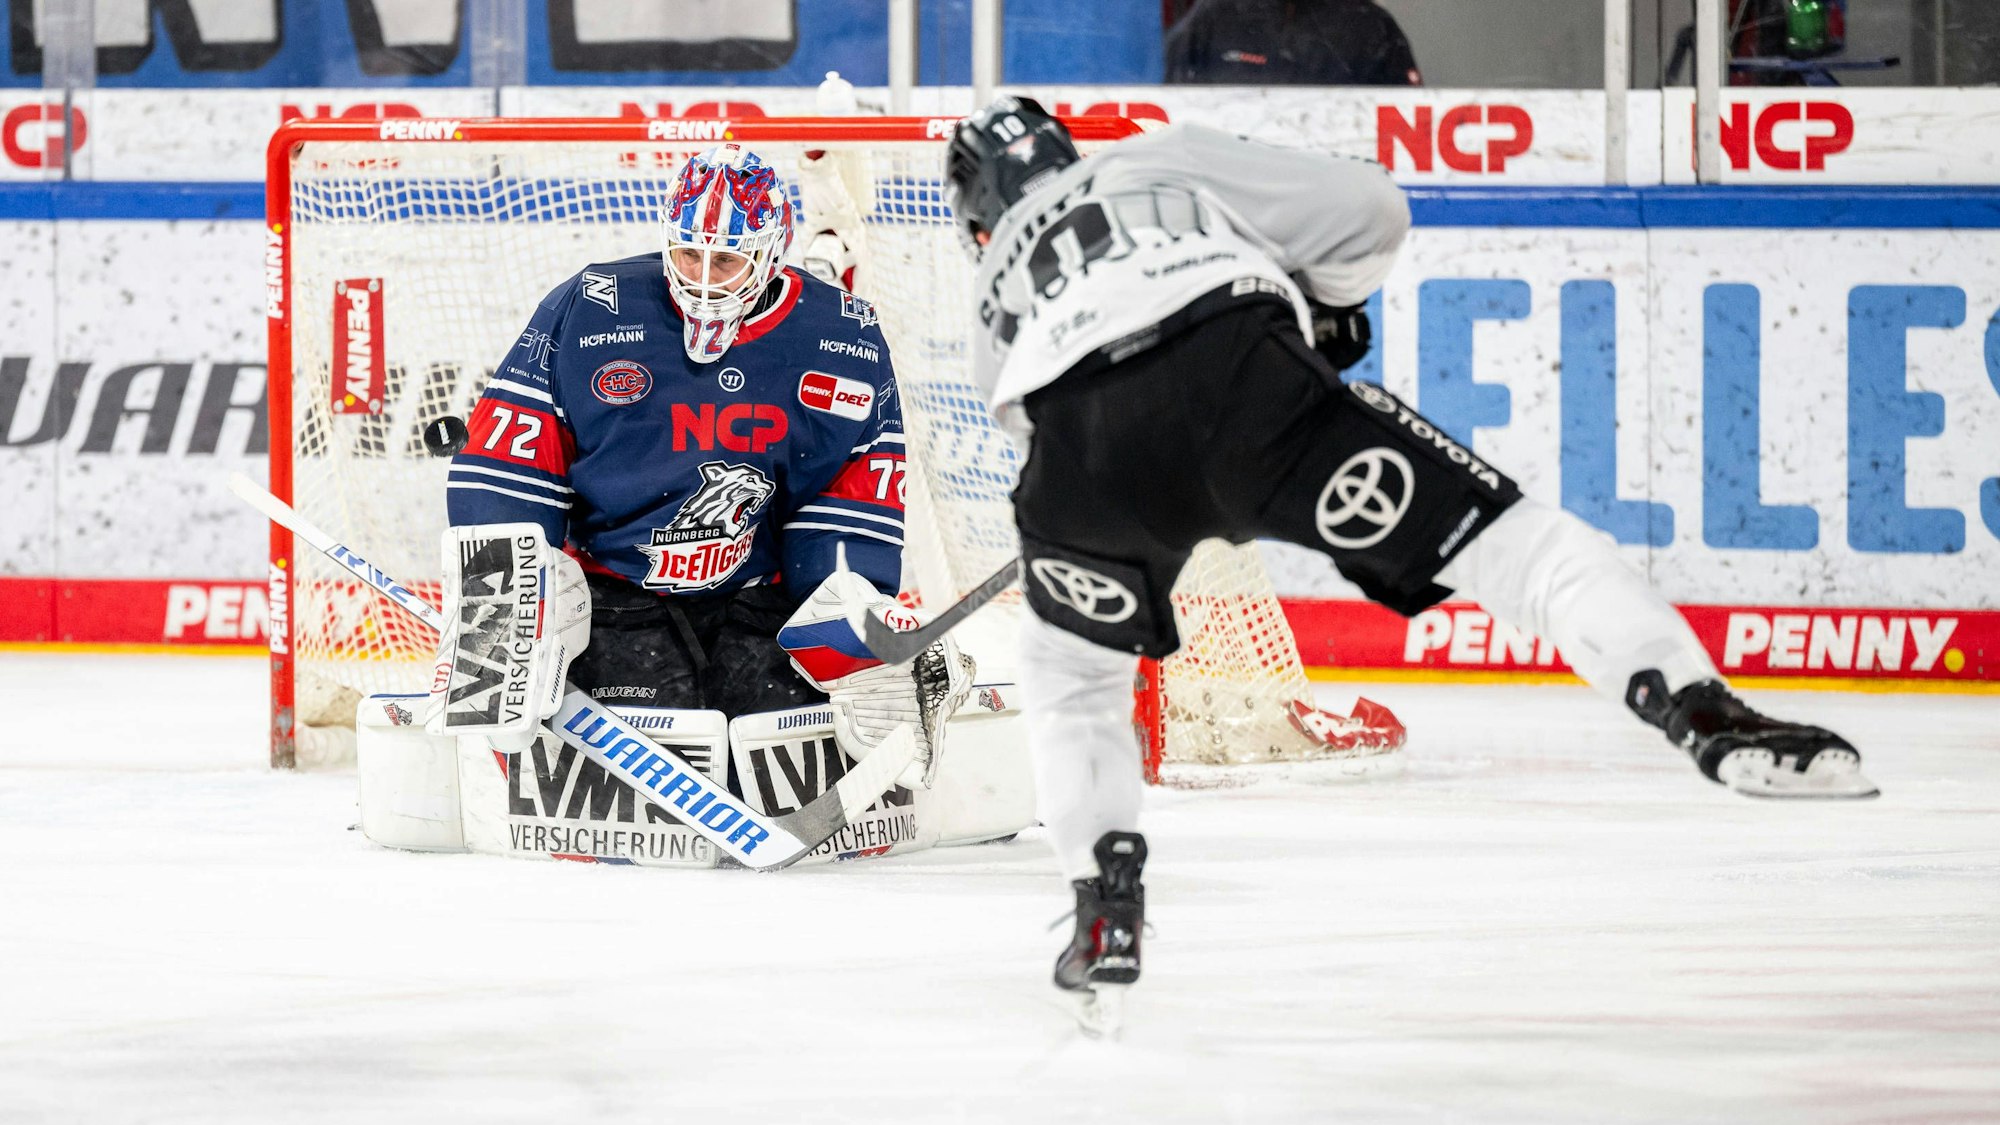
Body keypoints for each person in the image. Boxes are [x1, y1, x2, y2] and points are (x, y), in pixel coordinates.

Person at [941, 98, 1875, 1024]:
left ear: (980, 215)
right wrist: (1316, 304)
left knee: (1071, 677)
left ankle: (1105, 905)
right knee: (1519, 550)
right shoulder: (1162, 157)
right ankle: (1703, 713)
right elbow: (1374, 209)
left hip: (1079, 457)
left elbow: (1024, 409)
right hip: (1241, 382)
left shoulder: (992, 291)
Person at [437, 142, 965, 804]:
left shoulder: (842, 336)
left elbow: (850, 493)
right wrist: (507, 598)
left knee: (776, 764)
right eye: (691, 254)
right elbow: (508, 462)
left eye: (728, 259)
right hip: (617, 597)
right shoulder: (592, 306)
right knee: (632, 776)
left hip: (758, 600)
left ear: (769, 253)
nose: (706, 277)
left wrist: (853, 620)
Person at [1164, 0, 1422, 86]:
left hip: (1330, 197)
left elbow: (1409, 132)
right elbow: (1169, 114)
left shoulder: (1370, 26)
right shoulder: (1214, 17)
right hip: (1232, 195)